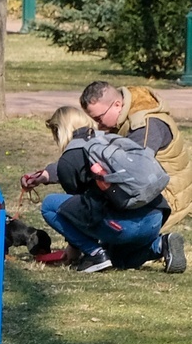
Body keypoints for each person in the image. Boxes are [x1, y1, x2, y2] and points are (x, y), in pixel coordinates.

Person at [21, 105, 185, 274]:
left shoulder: (69, 159)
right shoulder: (111, 140)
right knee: (118, 259)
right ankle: (161, 244)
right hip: (155, 217)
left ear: (59, 131)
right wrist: (45, 175)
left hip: (124, 226)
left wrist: (75, 247)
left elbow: (77, 216)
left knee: (50, 205)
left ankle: (95, 254)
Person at [78, 81, 192, 233]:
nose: (98, 125)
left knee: (104, 220)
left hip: (168, 199)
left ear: (117, 104)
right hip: (154, 189)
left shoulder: (145, 126)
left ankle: (160, 243)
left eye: (99, 119)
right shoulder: (122, 116)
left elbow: (138, 176)